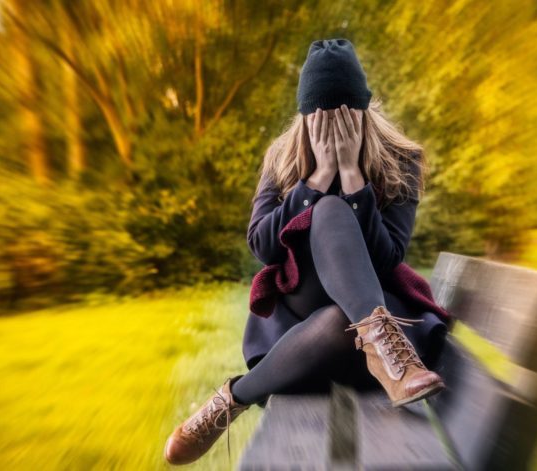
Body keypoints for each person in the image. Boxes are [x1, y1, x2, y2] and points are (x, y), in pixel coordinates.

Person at [164, 38, 450, 466]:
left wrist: (354, 178)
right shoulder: (282, 158)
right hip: (300, 324)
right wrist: (317, 180)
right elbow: (263, 245)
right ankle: (386, 355)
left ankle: (230, 400)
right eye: (322, 117)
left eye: (345, 115)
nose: (333, 128)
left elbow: (389, 257)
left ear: (363, 111)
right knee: (328, 210)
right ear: (305, 117)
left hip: (362, 336)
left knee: (340, 318)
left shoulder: (400, 159)